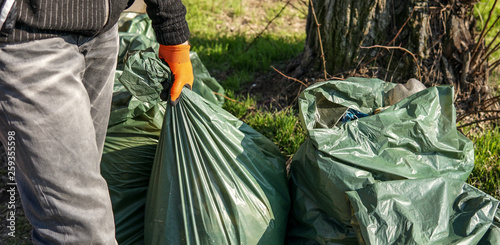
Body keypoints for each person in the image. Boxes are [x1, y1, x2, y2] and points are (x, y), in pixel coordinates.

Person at [0, 0, 193, 243]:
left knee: (83, 185)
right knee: (81, 229)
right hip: (28, 38)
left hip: (102, 32)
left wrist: (172, 30)